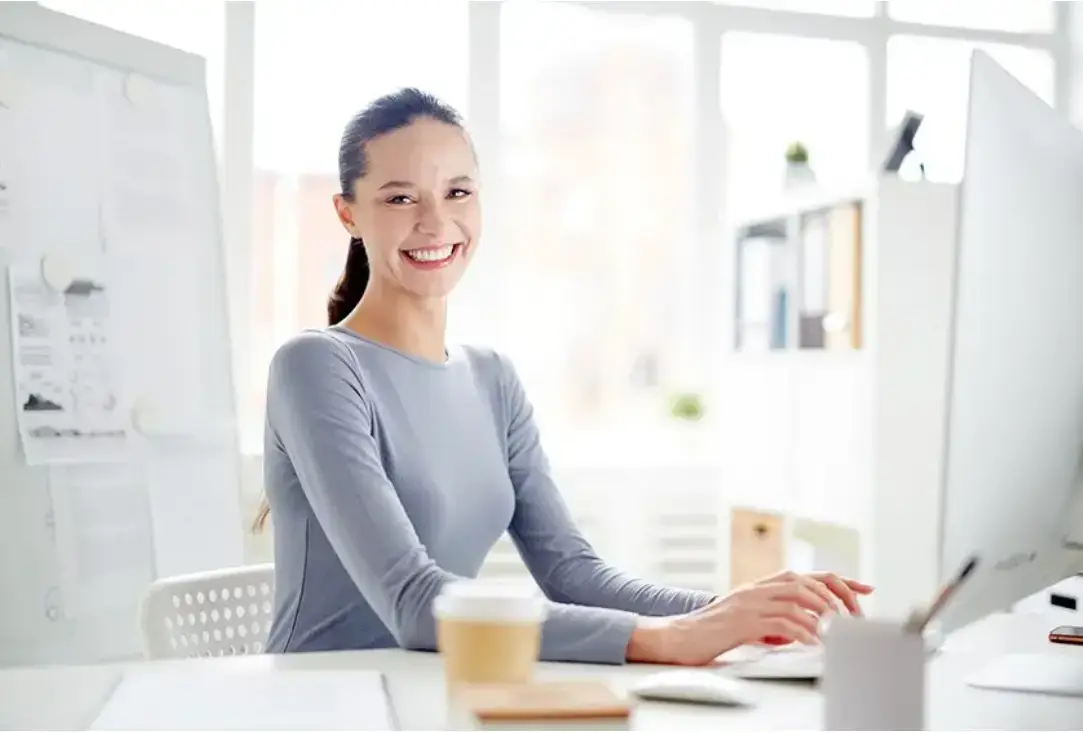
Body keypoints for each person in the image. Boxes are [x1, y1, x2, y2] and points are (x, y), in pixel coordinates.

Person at [256, 87, 873, 665]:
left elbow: (574, 576)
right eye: (400, 198)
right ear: (348, 214)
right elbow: (415, 604)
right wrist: (670, 639)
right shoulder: (315, 366)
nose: (436, 222)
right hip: (322, 702)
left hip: (436, 688)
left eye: (458, 192)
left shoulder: (492, 379)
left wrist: (735, 611)